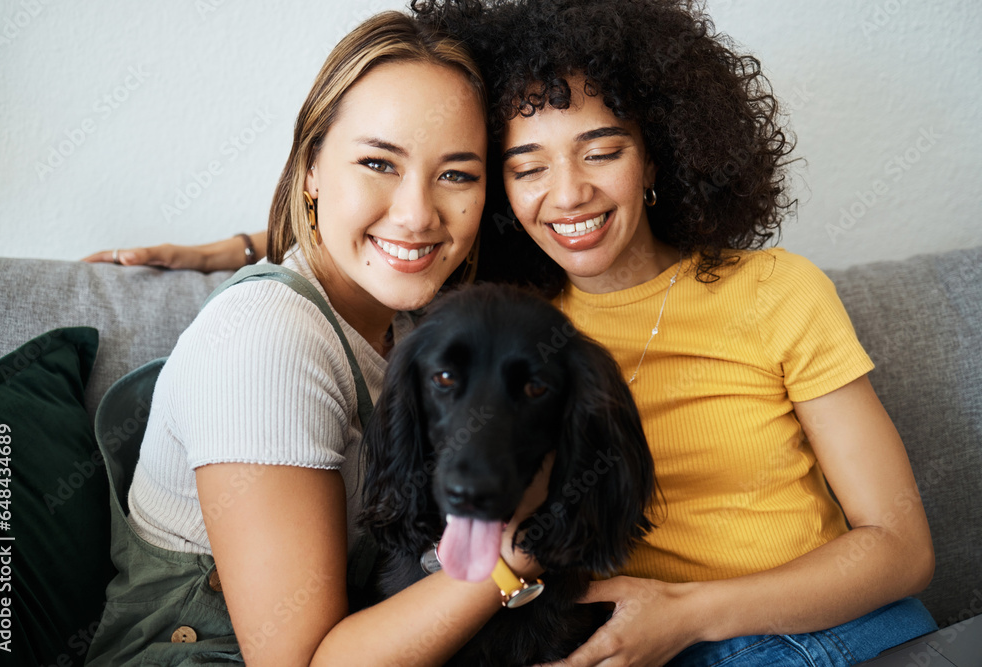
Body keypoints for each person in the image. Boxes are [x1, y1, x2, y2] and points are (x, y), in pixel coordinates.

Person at [88, 1, 937, 665]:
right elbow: (374, 242)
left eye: (602, 150)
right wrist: (251, 256)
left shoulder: (773, 292)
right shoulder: (498, 317)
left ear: (662, 156)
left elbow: (900, 545)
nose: (565, 193)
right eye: (527, 166)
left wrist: (681, 616)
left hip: (804, 636)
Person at [84, 10, 549, 666]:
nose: (417, 214)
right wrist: (525, 545)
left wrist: (245, 243)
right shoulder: (267, 341)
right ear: (311, 168)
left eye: (456, 174)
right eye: (377, 162)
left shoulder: (417, 314)